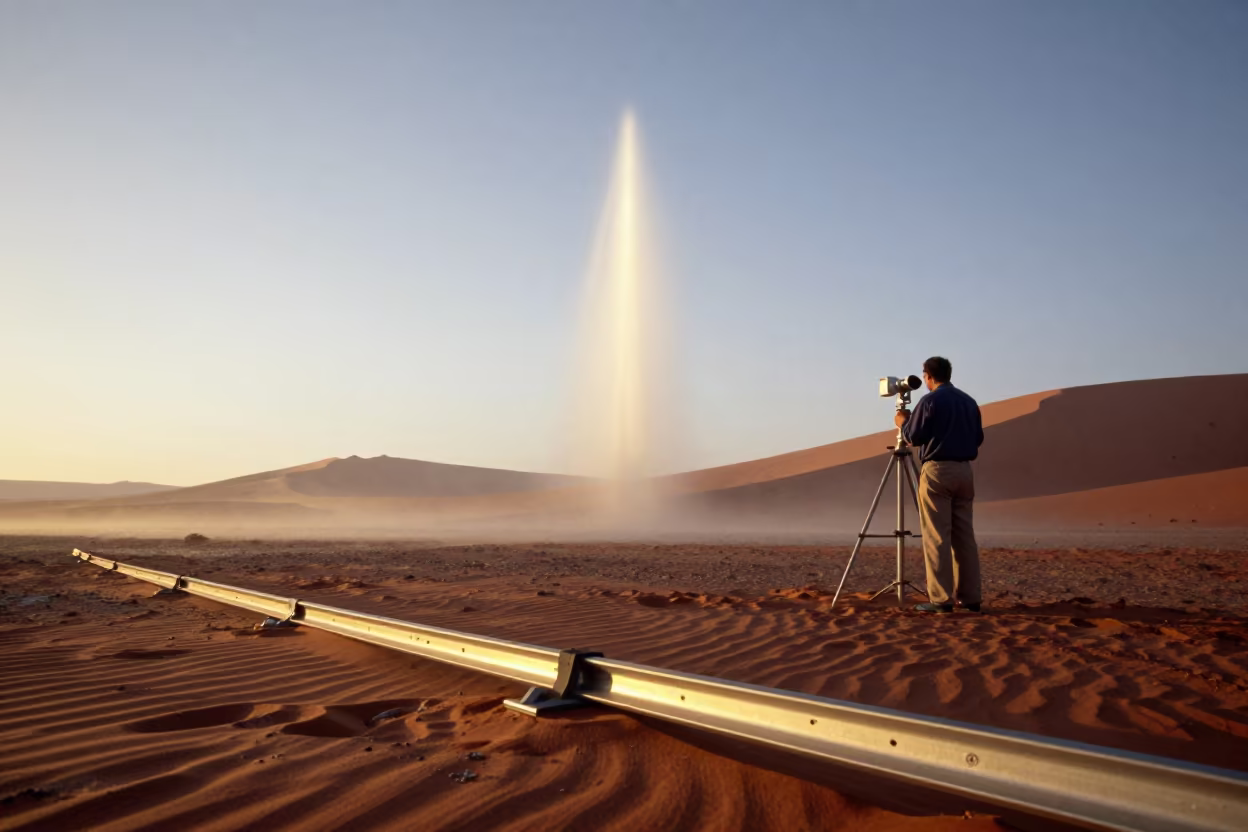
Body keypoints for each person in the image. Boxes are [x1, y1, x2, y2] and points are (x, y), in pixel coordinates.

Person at [895, 356, 984, 614]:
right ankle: (970, 597)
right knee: (964, 537)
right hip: (964, 471)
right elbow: (977, 437)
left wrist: (902, 422)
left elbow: (913, 436)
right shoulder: (969, 402)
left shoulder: (930, 401)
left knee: (937, 536)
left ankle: (940, 599)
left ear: (928, 376)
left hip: (938, 470)